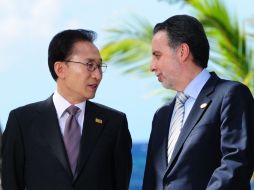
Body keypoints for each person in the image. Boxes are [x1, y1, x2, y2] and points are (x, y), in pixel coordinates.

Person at [2, 29, 132, 190]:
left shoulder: (115, 123)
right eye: (90, 65)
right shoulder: (22, 121)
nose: (97, 75)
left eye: (99, 66)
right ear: (60, 69)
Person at [142, 15, 254, 190]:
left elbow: (236, 163)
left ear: (182, 52)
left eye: (157, 55)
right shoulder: (162, 116)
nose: (152, 66)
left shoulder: (230, 95)